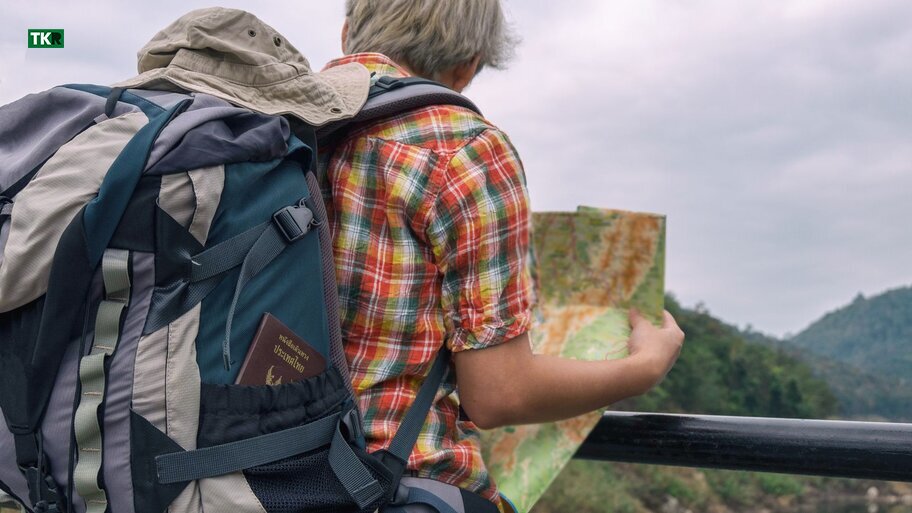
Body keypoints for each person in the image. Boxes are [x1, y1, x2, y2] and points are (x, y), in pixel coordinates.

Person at [320, 0, 686, 510]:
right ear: (469, 64)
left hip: (260, 476)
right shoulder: (464, 149)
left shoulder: (275, 129)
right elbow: (497, 394)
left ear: (346, 37)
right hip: (387, 480)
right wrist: (642, 367)